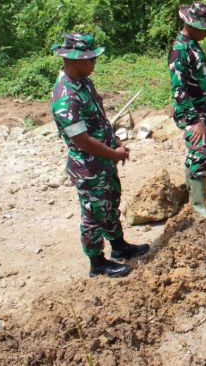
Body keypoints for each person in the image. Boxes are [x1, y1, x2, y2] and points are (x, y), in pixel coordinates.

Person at [51, 33, 148, 278]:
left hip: (103, 159)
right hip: (89, 166)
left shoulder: (83, 82)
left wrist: (113, 141)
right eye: (90, 59)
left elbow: (98, 120)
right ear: (73, 61)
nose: (94, 62)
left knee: (109, 204)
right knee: (94, 215)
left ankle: (119, 247)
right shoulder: (66, 97)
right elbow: (81, 140)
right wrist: (113, 154)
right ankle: (97, 263)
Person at [169, 2, 206, 218]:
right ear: (190, 24)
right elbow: (178, 89)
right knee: (199, 153)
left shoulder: (192, 43)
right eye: (204, 28)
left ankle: (192, 195)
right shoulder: (180, 50)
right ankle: (198, 206)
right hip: (193, 112)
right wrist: (194, 120)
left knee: (201, 151)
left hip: (203, 108)